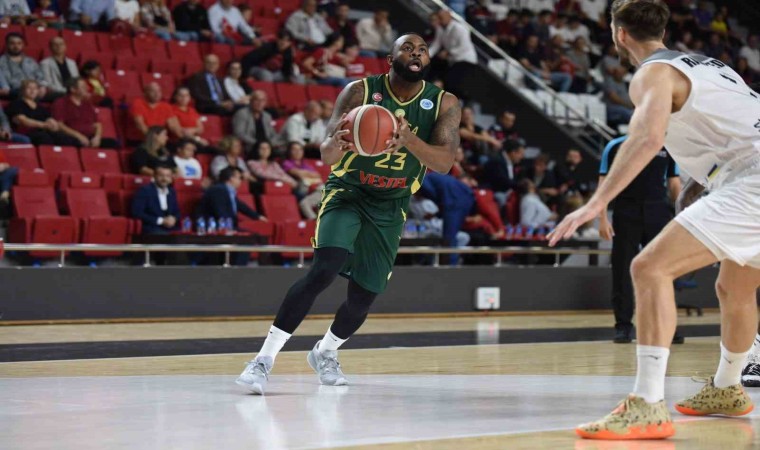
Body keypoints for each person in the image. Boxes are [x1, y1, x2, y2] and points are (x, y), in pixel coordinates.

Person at [548, 0, 760, 440]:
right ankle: (727, 387)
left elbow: (647, 138)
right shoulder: (711, 66)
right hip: (739, 174)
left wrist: (596, 203)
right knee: (734, 286)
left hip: (751, 178)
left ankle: (646, 405)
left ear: (619, 34)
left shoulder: (652, 73)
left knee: (649, 268)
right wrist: (702, 187)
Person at [236, 32, 461, 394]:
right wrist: (338, 144)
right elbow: (326, 153)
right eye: (407, 48)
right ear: (391, 59)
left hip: (391, 203)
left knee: (364, 295)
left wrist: (409, 140)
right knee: (324, 270)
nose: (416, 53)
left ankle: (325, 352)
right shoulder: (359, 91)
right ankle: (263, 360)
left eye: (422, 49)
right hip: (349, 191)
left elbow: (445, 162)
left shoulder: (444, 103)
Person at [598, 135, 682, 343]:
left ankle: (666, 327)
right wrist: (602, 219)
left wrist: (682, 216)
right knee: (622, 269)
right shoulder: (615, 146)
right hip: (626, 212)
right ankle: (623, 326)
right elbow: (603, 185)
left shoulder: (669, 146)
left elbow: (674, 184)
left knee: (662, 270)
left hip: (658, 211)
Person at [51, 78, 119, 149]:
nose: (87, 89)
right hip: (72, 137)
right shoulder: (61, 103)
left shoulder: (87, 104)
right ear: (73, 89)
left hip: (89, 137)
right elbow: (60, 125)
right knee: (68, 141)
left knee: (113, 143)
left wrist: (97, 137)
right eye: (83, 87)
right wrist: (79, 136)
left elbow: (97, 124)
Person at [7, 80, 77, 146]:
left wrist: (53, 124)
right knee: (44, 138)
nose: (32, 91)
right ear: (23, 90)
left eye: (35, 88)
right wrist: (43, 125)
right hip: (27, 133)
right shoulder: (16, 104)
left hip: (43, 131)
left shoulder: (40, 106)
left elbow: (48, 118)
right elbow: (23, 121)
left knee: (65, 139)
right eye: (29, 88)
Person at [132, 164, 180, 235]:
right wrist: (161, 221)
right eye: (161, 175)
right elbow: (137, 213)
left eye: (168, 176)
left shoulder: (171, 191)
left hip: (169, 227)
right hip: (151, 227)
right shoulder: (145, 190)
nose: (164, 179)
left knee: (186, 237)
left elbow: (176, 212)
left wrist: (173, 219)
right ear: (154, 176)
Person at [281, 141, 323, 219]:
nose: (298, 152)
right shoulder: (287, 163)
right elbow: (298, 174)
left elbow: (317, 176)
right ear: (289, 152)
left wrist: (304, 174)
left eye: (300, 149)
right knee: (306, 200)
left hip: (313, 190)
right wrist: (309, 175)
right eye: (294, 149)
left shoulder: (305, 163)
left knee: (322, 191)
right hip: (299, 190)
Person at [0, 33, 48, 99]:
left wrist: (42, 86)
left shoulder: (31, 61)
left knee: (58, 96)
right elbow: (6, 85)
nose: (16, 46)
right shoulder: (1, 62)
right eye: (12, 43)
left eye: (19, 43)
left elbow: (40, 76)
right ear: (7, 45)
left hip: (34, 91)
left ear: (22, 45)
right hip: (15, 92)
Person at [232, 90, 278, 155]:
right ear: (251, 101)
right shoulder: (242, 114)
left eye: (262, 100)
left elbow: (272, 134)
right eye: (257, 100)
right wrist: (257, 143)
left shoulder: (267, 116)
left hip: (267, 147)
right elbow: (239, 133)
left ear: (265, 103)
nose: (260, 103)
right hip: (251, 147)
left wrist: (270, 143)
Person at [482, 139, 525, 207]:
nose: (522, 157)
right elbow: (502, 181)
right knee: (501, 198)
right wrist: (520, 186)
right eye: (521, 154)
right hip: (494, 191)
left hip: (506, 190)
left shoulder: (511, 162)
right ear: (513, 152)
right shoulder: (497, 161)